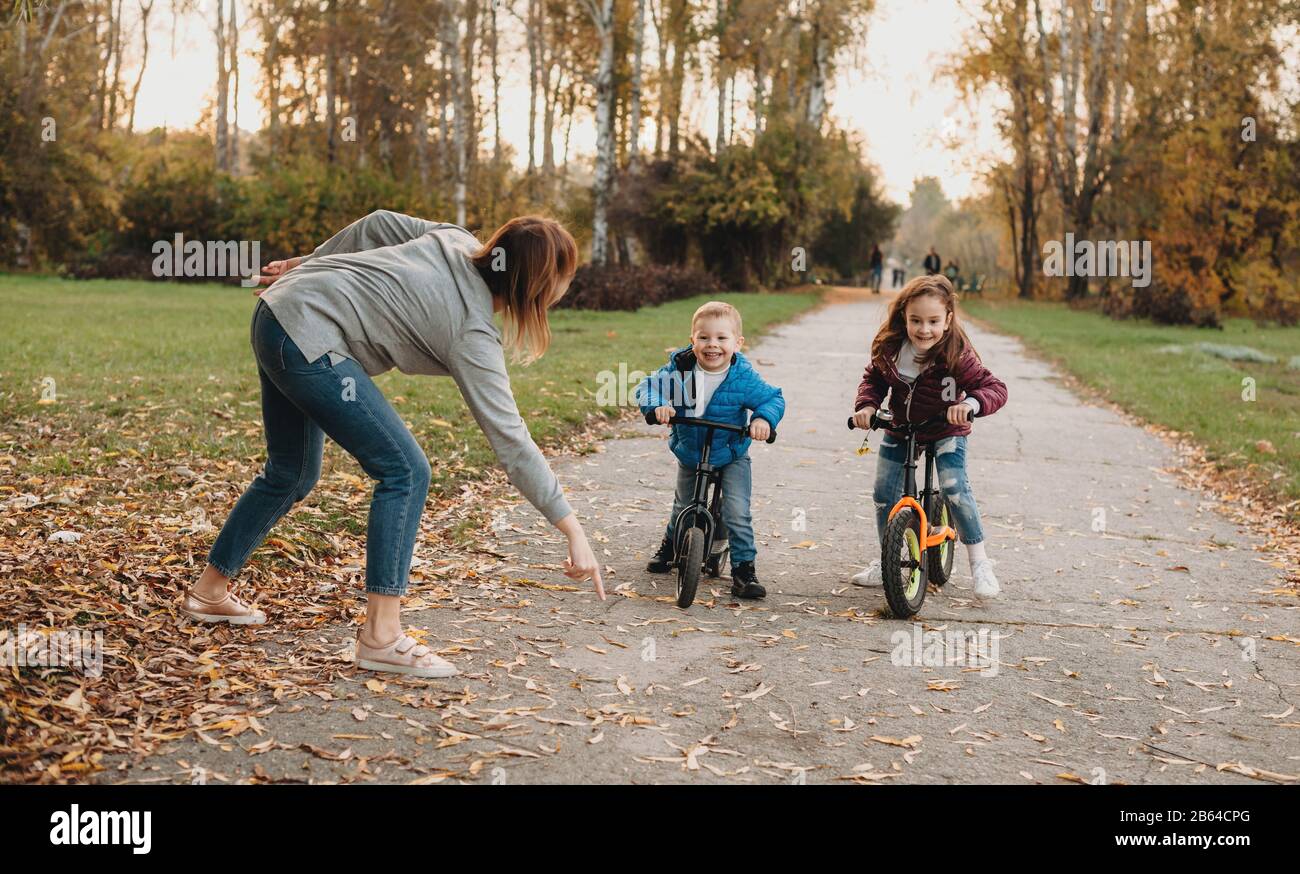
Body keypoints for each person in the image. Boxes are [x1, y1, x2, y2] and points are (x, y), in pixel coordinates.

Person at [182, 210, 605, 678]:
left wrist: (310, 263)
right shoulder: (471, 331)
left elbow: (377, 222)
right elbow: (511, 439)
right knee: (405, 470)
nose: (569, 284)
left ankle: (209, 592)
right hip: (306, 337)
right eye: (566, 276)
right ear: (540, 286)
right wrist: (573, 529)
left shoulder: (453, 240)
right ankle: (381, 637)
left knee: (292, 471)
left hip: (278, 314)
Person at [847, 274, 1008, 597]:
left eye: (933, 321)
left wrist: (970, 404)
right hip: (902, 427)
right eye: (916, 320)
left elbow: (994, 389)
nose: (924, 329)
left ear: (948, 320)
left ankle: (980, 563)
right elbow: (874, 380)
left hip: (946, 427)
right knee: (883, 492)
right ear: (904, 316)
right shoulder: (891, 349)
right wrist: (867, 406)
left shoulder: (956, 354)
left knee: (953, 485)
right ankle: (887, 559)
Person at [637, 301, 786, 599]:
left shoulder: (742, 376)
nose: (712, 345)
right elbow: (647, 386)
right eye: (703, 338)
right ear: (692, 339)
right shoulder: (679, 369)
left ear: (737, 343)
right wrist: (658, 406)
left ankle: (744, 569)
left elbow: (773, 399)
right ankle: (670, 544)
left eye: (721, 338)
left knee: (736, 511)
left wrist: (761, 419)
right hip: (691, 448)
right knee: (684, 504)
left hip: (731, 452)